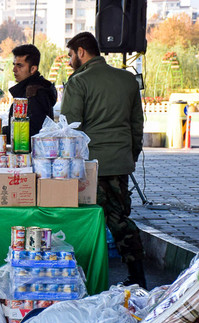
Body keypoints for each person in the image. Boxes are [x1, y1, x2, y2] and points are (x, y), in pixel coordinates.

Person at [60, 32, 147, 288]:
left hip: (89, 167)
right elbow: (136, 126)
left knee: (86, 220)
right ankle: (138, 276)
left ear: (81, 52)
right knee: (120, 221)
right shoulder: (127, 80)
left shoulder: (78, 82)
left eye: (71, 55)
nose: (69, 61)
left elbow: (69, 129)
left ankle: (84, 280)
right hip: (120, 163)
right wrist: (129, 156)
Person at [4, 44, 57, 143]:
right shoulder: (28, 90)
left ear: (33, 69)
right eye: (14, 65)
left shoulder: (35, 93)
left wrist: (3, 133)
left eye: (19, 65)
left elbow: (32, 132)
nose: (14, 70)